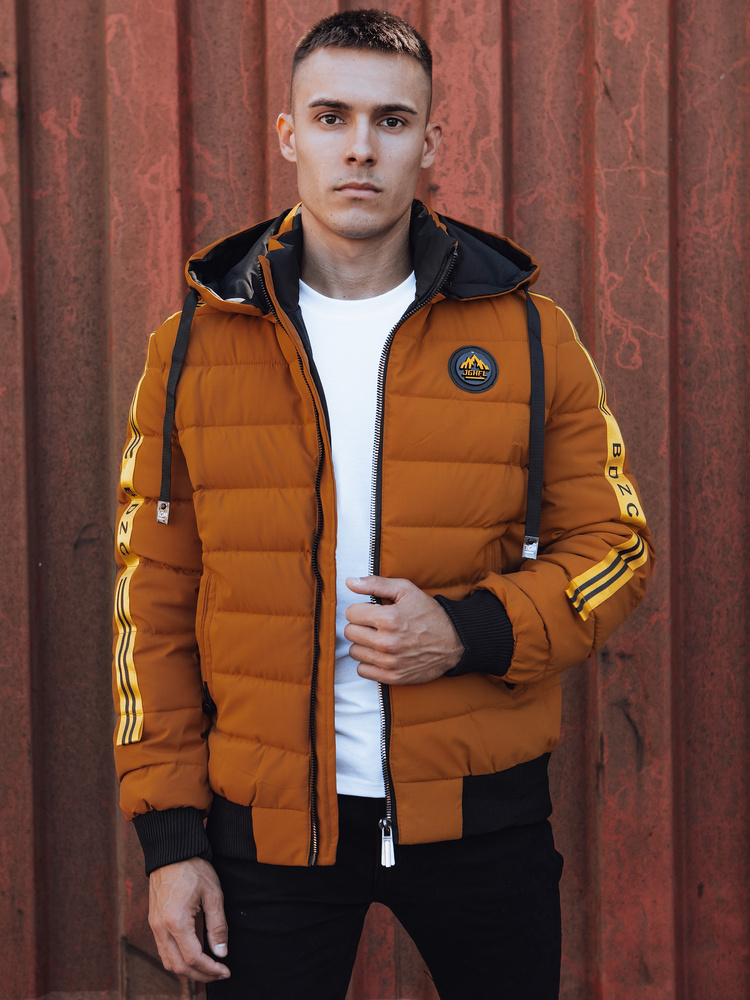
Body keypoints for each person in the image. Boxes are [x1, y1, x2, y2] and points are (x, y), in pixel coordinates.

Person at [112, 9, 654, 999]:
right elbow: (152, 607)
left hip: (482, 822)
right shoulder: (193, 345)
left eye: (391, 121)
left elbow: (614, 546)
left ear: (430, 141)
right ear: (289, 135)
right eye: (331, 117)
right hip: (266, 832)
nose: (360, 147)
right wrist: (171, 840)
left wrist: (469, 631)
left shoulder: (531, 336)